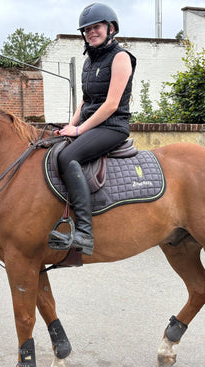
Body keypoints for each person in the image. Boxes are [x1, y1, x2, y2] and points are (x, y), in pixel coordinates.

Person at [48, 2, 136, 256]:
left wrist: (79, 130)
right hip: (91, 125)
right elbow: (86, 101)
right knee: (53, 148)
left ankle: (85, 232)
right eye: (86, 29)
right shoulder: (89, 61)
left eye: (95, 27)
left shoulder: (121, 58)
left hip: (113, 126)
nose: (90, 32)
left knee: (68, 155)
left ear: (111, 28)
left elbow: (110, 104)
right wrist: (70, 125)